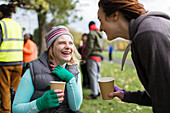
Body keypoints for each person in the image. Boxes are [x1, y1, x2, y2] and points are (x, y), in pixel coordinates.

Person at [98, 0, 170, 112]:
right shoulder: (146, 30)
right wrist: (125, 95)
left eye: (100, 20)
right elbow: (160, 93)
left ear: (114, 15)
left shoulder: (148, 34)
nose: (100, 28)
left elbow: (165, 100)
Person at [12, 25, 83, 113]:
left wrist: (70, 79)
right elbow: (16, 109)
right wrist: (40, 103)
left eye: (70, 43)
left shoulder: (74, 70)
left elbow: (75, 107)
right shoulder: (34, 70)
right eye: (62, 43)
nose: (68, 46)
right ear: (51, 47)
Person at [0, 3, 24, 113]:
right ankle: (16, 110)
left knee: (4, 88)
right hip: (18, 61)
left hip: (4, 61)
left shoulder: (1, 24)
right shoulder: (18, 25)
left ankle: (5, 111)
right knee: (15, 89)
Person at [83, 21, 104, 99]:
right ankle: (98, 91)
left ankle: (94, 93)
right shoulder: (100, 33)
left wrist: (85, 56)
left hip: (92, 56)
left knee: (92, 75)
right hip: (99, 56)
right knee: (98, 75)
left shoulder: (92, 33)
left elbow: (90, 46)